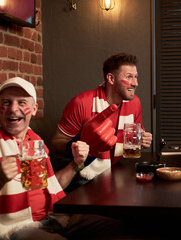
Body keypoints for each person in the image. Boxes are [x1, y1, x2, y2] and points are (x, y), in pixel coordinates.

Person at [0, 77, 122, 239]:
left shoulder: (34, 140)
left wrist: (76, 164)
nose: (13, 109)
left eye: (22, 103)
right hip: (16, 228)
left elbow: (51, 185)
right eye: (6, 102)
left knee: (118, 229)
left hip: (54, 218)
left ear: (33, 109)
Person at [51, 52, 152, 180]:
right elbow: (56, 143)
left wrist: (141, 140)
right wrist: (81, 146)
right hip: (82, 173)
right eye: (129, 77)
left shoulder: (135, 102)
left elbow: (132, 140)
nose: (135, 83)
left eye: (136, 77)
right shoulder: (81, 103)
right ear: (111, 79)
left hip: (115, 169)